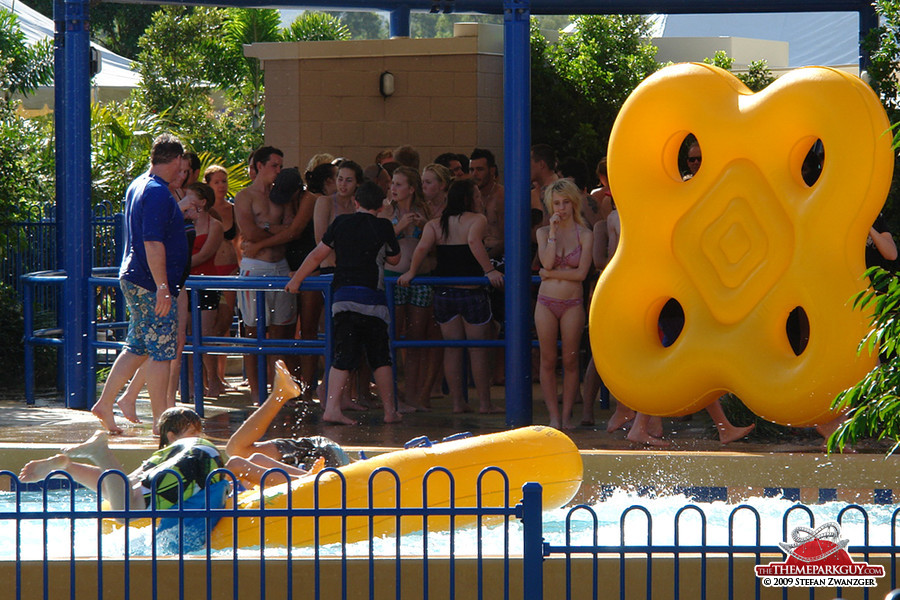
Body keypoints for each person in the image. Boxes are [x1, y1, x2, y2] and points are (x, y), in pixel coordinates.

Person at [90, 134, 190, 435]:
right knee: (161, 351)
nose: (182, 171)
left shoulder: (139, 184)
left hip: (135, 277)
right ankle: (163, 424)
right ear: (175, 161)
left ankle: (106, 403)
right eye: (181, 165)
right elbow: (152, 242)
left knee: (137, 347)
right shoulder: (158, 191)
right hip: (150, 282)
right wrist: (163, 287)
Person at [285, 181, 403, 426]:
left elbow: (317, 254)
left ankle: (332, 408)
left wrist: (296, 280)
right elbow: (395, 258)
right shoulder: (383, 226)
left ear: (356, 203)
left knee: (342, 354)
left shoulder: (341, 223)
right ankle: (390, 411)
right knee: (380, 356)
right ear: (381, 206)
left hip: (343, 298)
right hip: (373, 299)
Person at [399, 178, 504, 414]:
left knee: (452, 348)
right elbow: (473, 241)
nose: (480, 200)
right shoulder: (477, 220)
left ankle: (458, 403)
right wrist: (489, 270)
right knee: (477, 349)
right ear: (468, 199)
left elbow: (422, 249)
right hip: (471, 292)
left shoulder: (435, 225)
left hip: (444, 292)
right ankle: (485, 403)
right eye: (477, 196)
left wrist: (411, 272)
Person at [19, 407, 226, 512]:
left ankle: (69, 467)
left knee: (122, 489)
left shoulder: (164, 454)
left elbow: (121, 486)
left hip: (191, 456)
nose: (198, 435)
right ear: (171, 436)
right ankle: (100, 453)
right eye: (193, 431)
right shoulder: (196, 447)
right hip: (203, 456)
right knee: (127, 510)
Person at [243, 167, 319, 394]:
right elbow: (285, 229)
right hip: (288, 268)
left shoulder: (309, 199)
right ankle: (278, 388)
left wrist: (260, 241)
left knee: (306, 331)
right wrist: (269, 230)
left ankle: (306, 388)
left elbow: (294, 231)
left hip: (306, 269)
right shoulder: (286, 200)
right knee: (273, 332)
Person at [225, 360, 351, 487]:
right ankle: (280, 394)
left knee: (238, 453)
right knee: (242, 454)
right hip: (325, 453)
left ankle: (280, 394)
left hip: (325, 454)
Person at [234, 146, 295, 399]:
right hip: (255, 268)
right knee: (253, 331)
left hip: (280, 266)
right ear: (259, 166)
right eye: (274, 165)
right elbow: (249, 232)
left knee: (280, 332)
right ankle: (258, 394)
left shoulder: (282, 197)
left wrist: (266, 232)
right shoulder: (244, 196)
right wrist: (275, 230)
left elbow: (292, 231)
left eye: (281, 166)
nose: (278, 171)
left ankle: (277, 395)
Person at [535, 179, 593, 430]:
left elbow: (581, 274)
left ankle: (567, 415)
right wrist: (553, 234)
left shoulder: (586, 234)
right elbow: (546, 263)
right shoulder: (543, 232)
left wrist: (551, 275)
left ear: (574, 203)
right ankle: (553, 417)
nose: (561, 208)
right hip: (545, 302)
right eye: (556, 203)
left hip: (572, 302)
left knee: (570, 360)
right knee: (547, 359)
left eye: (566, 202)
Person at [386, 166, 433, 409]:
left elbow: (436, 246)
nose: (394, 188)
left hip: (421, 279)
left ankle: (415, 393)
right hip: (394, 277)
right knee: (393, 337)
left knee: (417, 339)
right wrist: (398, 228)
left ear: (412, 189)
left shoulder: (424, 210)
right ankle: (394, 394)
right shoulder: (386, 210)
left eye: (399, 184)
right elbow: (379, 243)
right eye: (393, 183)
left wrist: (427, 227)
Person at [185, 181, 227, 397]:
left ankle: (213, 379)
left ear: (202, 202)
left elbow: (205, 254)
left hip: (205, 282)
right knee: (190, 334)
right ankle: (193, 383)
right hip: (186, 284)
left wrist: (179, 265)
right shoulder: (183, 222)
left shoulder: (215, 225)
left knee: (206, 333)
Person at [530, 144, 559, 219]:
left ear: (541, 164)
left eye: (529, 162)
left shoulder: (559, 191)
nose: (526, 167)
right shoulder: (534, 192)